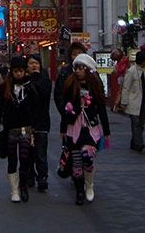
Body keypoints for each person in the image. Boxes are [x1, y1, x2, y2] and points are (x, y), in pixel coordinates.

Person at [59, 53, 110, 206]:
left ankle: (89, 185)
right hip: (73, 127)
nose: (79, 71)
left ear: (88, 70)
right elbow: (66, 110)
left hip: (90, 128)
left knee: (87, 157)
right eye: (77, 68)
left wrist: (106, 131)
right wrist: (63, 128)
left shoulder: (94, 86)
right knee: (76, 162)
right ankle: (79, 191)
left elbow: (101, 109)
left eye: (82, 68)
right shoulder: (70, 85)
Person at [0, 56, 39, 203]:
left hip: (25, 129)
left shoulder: (30, 86)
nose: (19, 74)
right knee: (12, 160)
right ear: (11, 72)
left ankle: (23, 187)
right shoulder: (6, 86)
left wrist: (35, 128)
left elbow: (36, 107)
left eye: (21, 71)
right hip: (10, 129)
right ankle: (14, 190)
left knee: (25, 160)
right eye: (16, 71)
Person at [26, 54, 51, 193]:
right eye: (31, 63)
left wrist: (35, 78)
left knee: (41, 152)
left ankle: (42, 177)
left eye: (36, 63)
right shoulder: (23, 81)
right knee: (28, 152)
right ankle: (30, 175)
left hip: (41, 121)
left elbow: (44, 96)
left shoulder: (45, 80)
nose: (34, 65)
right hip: (27, 122)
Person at [119, 51, 145, 153]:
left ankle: (134, 142)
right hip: (134, 101)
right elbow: (126, 88)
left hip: (143, 102)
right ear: (144, 61)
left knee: (141, 124)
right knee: (136, 123)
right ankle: (139, 144)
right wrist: (124, 102)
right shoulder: (131, 71)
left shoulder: (144, 71)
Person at [53, 42, 87, 113]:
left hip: (89, 114)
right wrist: (65, 111)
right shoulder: (64, 72)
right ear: (70, 56)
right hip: (70, 114)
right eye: (74, 54)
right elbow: (58, 94)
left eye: (80, 53)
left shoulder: (91, 70)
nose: (77, 56)